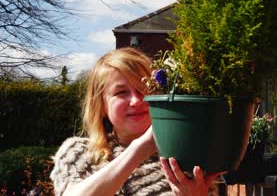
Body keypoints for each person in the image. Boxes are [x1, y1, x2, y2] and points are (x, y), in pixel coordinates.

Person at [50, 47, 224, 196]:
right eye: (121, 93)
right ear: (101, 105)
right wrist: (140, 148)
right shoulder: (79, 153)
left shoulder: (184, 159)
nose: (136, 101)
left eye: (144, 89)